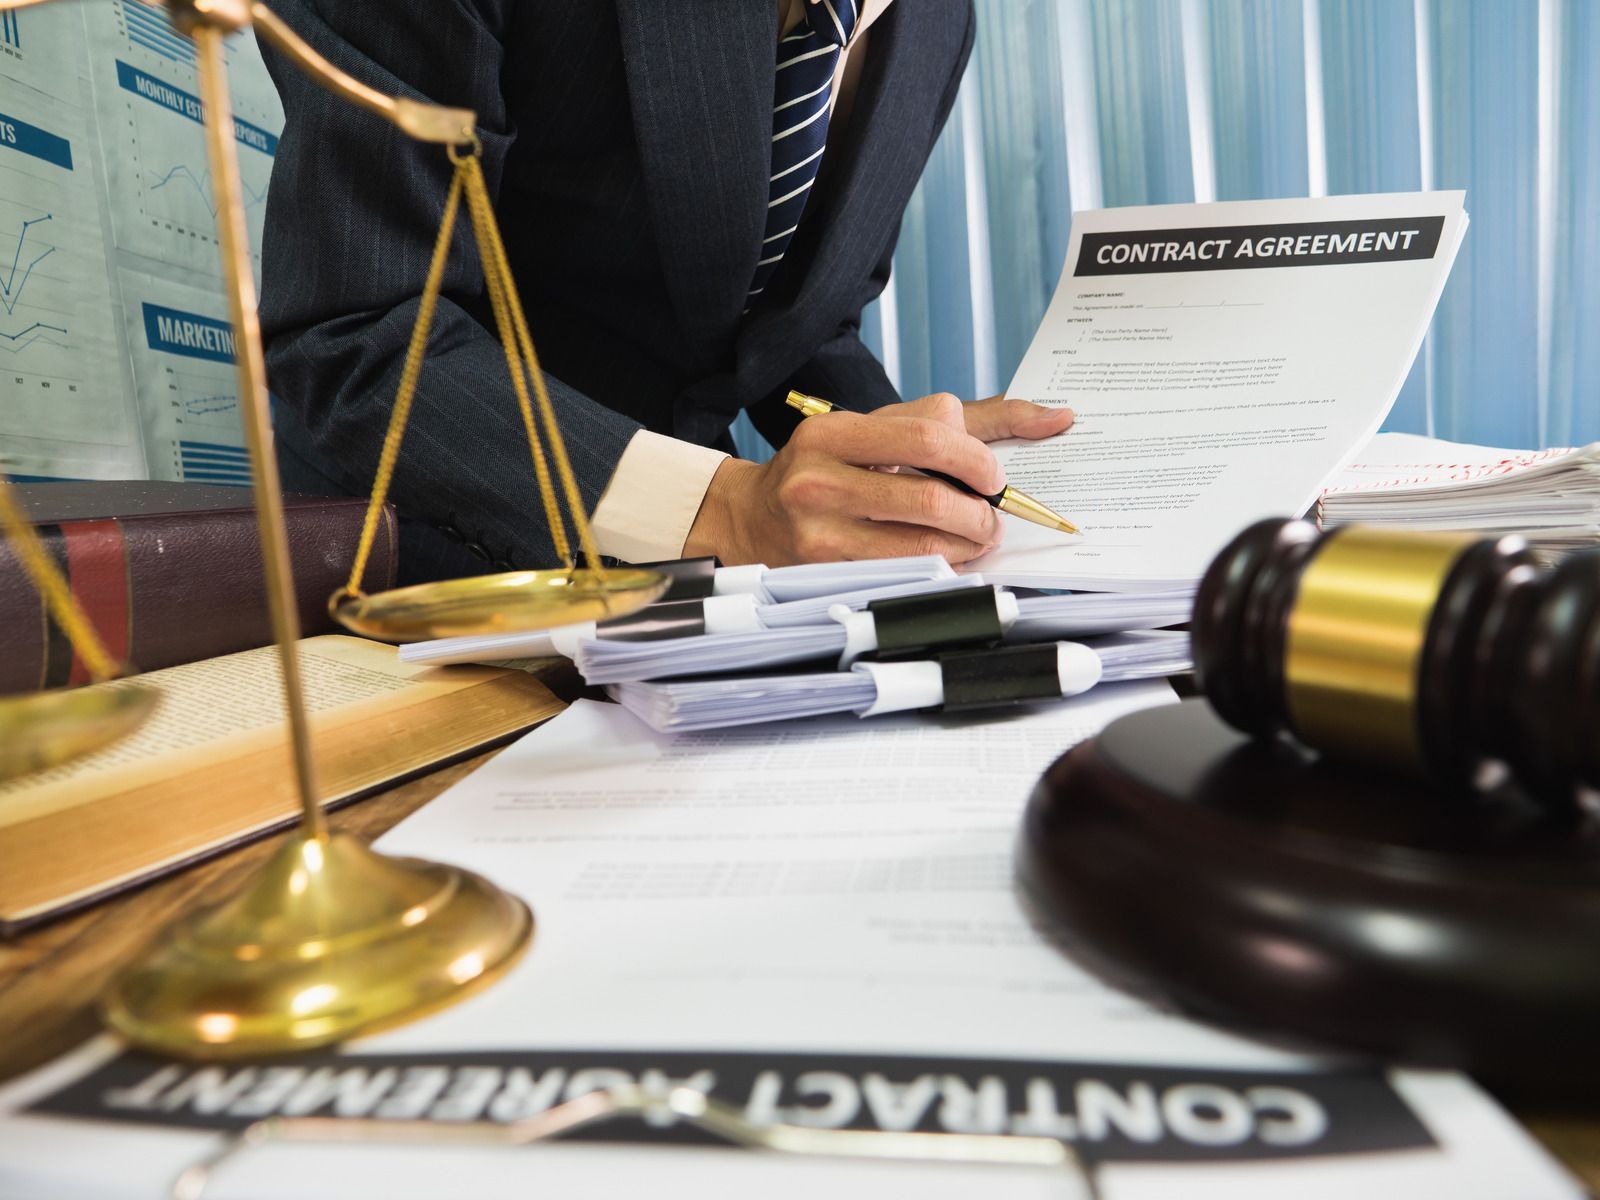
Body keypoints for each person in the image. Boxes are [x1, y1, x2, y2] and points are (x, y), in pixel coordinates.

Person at [258, 0, 1074, 582]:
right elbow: (360, 329)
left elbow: (800, 326)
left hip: (700, 602)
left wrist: (913, 469)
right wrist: (724, 509)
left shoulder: (938, 23)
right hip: (408, 576)